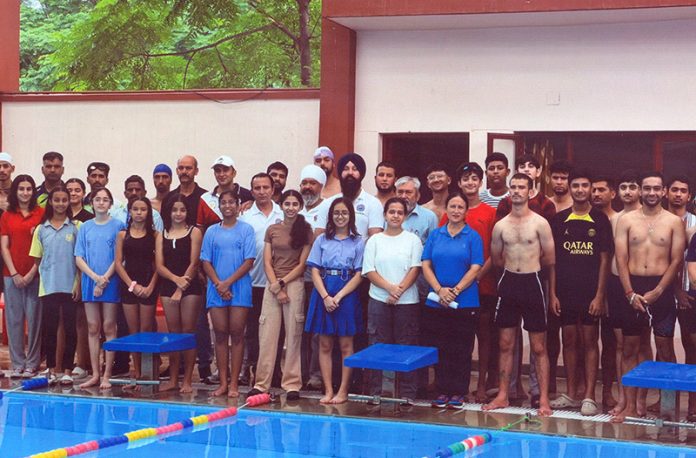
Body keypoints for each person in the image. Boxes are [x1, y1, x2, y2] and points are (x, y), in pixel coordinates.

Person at [612, 171, 685, 423]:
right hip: (632, 287)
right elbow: (621, 258)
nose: (652, 193)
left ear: (663, 191)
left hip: (660, 288)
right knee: (630, 347)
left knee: (664, 349)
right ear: (640, 191)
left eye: (656, 188)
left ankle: (660, 405)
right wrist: (629, 292)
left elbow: (676, 260)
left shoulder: (674, 222)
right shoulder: (627, 220)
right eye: (647, 188)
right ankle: (630, 404)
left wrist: (660, 290)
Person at [483, 173, 555, 417]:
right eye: (512, 187)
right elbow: (496, 259)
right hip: (509, 284)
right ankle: (503, 394)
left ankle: (543, 399)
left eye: (521, 187)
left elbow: (550, 258)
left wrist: (529, 267)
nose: (516, 191)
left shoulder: (540, 223)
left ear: (529, 190)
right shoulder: (501, 225)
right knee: (505, 344)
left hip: (533, 282)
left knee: (538, 346)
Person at [549, 170, 612, 416]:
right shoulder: (559, 219)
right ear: (570, 187)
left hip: (590, 293)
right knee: (569, 340)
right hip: (565, 292)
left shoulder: (600, 220)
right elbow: (552, 261)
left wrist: (599, 295)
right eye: (575, 185)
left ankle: (589, 396)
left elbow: (606, 260)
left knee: (589, 341)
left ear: (590, 189)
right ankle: (572, 394)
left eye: (585, 185)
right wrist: (553, 293)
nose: (579, 189)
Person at [422, 190, 483, 407]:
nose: (456, 211)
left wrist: (455, 291)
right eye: (453, 206)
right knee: (441, 346)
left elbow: (476, 267)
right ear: (446, 209)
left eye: (460, 207)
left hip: (465, 302)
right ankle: (442, 390)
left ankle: (458, 392)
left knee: (461, 348)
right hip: (437, 302)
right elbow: (426, 264)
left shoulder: (472, 236)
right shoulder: (436, 235)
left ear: (466, 211)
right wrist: (440, 290)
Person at [250, 190, 313, 400]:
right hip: (273, 284)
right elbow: (267, 260)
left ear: (300, 206)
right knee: (267, 334)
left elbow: (302, 264)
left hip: (294, 284)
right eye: (287, 203)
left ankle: (292, 383)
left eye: (295, 204)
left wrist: (284, 284)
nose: (291, 207)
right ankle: (261, 384)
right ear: (282, 205)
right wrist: (276, 286)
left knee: (293, 334)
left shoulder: (306, 231)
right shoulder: (273, 229)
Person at [305, 198, 364, 404]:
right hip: (324, 290)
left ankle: (343, 390)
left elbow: (359, 274)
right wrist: (325, 297)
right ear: (331, 216)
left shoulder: (358, 241)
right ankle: (328, 389)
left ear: (351, 216)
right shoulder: (322, 240)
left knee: (346, 343)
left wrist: (338, 297)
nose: (340, 217)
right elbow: (314, 270)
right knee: (324, 343)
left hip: (346, 292)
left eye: (344, 213)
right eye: (336, 213)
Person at [363, 197, 423, 401]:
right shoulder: (375, 240)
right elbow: (369, 270)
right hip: (379, 300)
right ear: (385, 215)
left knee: (406, 346)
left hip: (407, 302)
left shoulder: (412, 240)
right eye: (392, 212)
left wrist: (399, 291)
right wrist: (390, 289)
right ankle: (377, 393)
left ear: (405, 216)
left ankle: (406, 395)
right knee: (377, 346)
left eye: (400, 212)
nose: (395, 216)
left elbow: (416, 268)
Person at [201, 190, 256, 398]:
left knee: (237, 334)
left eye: (231, 202)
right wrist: (218, 284)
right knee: (221, 335)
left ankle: (235, 383)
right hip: (216, 290)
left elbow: (249, 260)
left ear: (237, 204)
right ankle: (223, 382)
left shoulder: (246, 230)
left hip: (239, 289)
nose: (227, 206)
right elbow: (205, 260)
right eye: (223, 203)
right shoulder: (211, 232)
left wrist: (228, 283)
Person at [452, 162, 498, 403]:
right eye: (465, 179)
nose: (470, 183)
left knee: (485, 337)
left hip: (484, 285)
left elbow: (495, 250)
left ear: (481, 183)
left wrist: (477, 276)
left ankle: (482, 386)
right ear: (459, 183)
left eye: (474, 179)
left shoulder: (490, 214)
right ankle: (460, 385)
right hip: (457, 288)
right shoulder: (453, 211)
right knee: (461, 338)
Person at [164, 155, 211, 381]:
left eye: (188, 168)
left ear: (196, 170)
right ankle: (176, 372)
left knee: (196, 327)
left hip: (198, 275)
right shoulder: (170, 198)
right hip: (172, 277)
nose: (184, 171)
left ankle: (200, 369)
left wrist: (198, 272)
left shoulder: (205, 198)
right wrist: (175, 280)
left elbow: (204, 240)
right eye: (181, 167)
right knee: (175, 332)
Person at [74, 187, 126, 389]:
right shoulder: (85, 227)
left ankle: (107, 374)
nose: (101, 203)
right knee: (93, 327)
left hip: (110, 282)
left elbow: (119, 257)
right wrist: (95, 278)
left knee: (109, 327)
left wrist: (104, 279)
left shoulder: (118, 226)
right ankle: (95, 373)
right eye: (97, 199)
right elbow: (79, 257)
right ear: (91, 202)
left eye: (105, 199)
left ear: (111, 204)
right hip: (90, 281)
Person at [30, 186, 79, 385]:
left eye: (64, 200)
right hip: (48, 286)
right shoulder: (41, 229)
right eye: (56, 200)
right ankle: (50, 369)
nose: (60, 204)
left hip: (70, 287)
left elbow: (80, 259)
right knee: (49, 329)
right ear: (50, 202)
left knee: (70, 328)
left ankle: (67, 369)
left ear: (69, 202)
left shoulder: (76, 227)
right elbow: (37, 259)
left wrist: (78, 285)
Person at [238, 173, 284, 386]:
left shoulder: (283, 214)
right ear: (252, 190)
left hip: (277, 284)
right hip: (251, 282)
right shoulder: (245, 216)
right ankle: (254, 371)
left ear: (273, 189)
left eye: (266, 187)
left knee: (277, 332)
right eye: (257, 188)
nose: (262, 191)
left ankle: (275, 374)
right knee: (253, 332)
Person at [155, 195, 203, 393]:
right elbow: (159, 265)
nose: (178, 214)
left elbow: (194, 262)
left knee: (188, 333)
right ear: (169, 211)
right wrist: (175, 282)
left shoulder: (194, 232)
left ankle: (188, 380)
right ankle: (174, 378)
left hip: (190, 287)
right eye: (175, 210)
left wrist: (182, 287)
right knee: (173, 335)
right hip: (169, 286)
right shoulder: (161, 234)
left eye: (182, 210)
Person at [606, 170, 643, 416]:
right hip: (617, 284)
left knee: (642, 346)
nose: (627, 191)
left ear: (639, 190)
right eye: (623, 187)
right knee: (621, 345)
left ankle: (640, 399)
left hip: (641, 284)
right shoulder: (614, 219)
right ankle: (623, 397)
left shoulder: (648, 218)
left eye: (632, 186)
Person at [1, 174, 44, 378]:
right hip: (12, 276)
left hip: (35, 275)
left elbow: (44, 248)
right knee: (14, 320)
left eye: (28, 189)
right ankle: (17, 363)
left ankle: (33, 363)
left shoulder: (41, 214)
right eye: (21, 189)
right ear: (15, 191)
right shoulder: (7, 216)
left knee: (35, 320)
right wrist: (16, 273)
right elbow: (4, 247)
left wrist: (31, 273)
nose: (25, 192)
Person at [114, 197, 159, 380]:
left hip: (148, 285)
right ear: (130, 211)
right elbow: (118, 263)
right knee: (133, 331)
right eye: (135, 209)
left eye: (143, 209)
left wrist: (149, 287)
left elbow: (158, 266)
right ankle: (138, 372)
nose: (139, 213)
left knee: (146, 329)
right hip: (129, 287)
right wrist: (132, 285)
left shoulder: (155, 236)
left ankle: (147, 373)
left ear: (149, 212)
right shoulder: (123, 235)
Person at [666, 176, 696, 420]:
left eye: (683, 191)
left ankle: (692, 404)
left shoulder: (695, 224)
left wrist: (684, 290)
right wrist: (675, 290)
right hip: (664, 291)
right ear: (667, 192)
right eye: (674, 190)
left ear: (689, 196)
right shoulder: (658, 221)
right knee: (662, 347)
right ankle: (667, 400)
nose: (678, 194)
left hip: (690, 295)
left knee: (691, 347)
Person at [590, 174, 619, 409]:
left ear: (613, 193)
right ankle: (583, 391)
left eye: (602, 190)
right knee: (585, 341)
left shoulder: (620, 220)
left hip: (615, 287)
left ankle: (609, 392)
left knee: (611, 343)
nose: (597, 194)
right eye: (594, 190)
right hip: (586, 287)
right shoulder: (585, 218)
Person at [298, 164, 327, 390]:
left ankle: (316, 375)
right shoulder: (292, 207)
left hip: (317, 279)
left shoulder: (327, 208)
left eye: (312, 183)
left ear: (321, 186)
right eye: (304, 183)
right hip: (294, 279)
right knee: (298, 329)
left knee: (316, 329)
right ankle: (298, 374)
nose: (308, 187)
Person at [315, 153, 384, 240]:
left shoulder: (373, 203)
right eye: (346, 169)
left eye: (355, 169)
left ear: (361, 174)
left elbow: (375, 240)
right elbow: (319, 237)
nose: (350, 173)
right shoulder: (328, 203)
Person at [65, 177, 93, 380]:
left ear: (83, 193)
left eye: (77, 190)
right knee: (64, 322)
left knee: (82, 322)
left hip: (83, 275)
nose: (73, 193)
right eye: (70, 190)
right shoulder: (59, 216)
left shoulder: (89, 218)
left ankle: (82, 363)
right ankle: (62, 363)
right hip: (62, 275)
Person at [198, 155, 253, 229]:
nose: (221, 174)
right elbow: (200, 229)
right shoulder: (205, 198)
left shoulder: (248, 195)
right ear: (214, 174)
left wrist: (253, 203)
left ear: (234, 173)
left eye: (226, 170)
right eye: (218, 170)